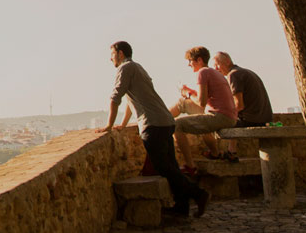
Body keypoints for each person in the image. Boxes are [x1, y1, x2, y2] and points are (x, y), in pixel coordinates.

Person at [101, 40, 208, 217]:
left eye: (112, 54)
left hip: (153, 124)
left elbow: (115, 98)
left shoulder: (124, 68)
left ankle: (198, 194)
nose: (110, 58)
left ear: (120, 54)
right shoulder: (137, 68)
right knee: (171, 166)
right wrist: (124, 122)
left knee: (163, 167)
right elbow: (131, 101)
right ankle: (182, 207)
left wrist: (109, 125)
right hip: (164, 121)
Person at [172, 45, 237, 169]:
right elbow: (204, 98)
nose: (189, 64)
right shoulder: (214, 72)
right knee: (198, 117)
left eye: (190, 61)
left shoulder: (202, 72)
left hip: (220, 117)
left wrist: (187, 93)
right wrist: (190, 92)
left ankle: (190, 166)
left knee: (176, 125)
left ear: (199, 60)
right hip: (229, 116)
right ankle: (214, 153)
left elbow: (201, 102)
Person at [214, 51, 274, 127]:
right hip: (264, 120)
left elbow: (239, 105)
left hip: (251, 121)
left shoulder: (233, 74)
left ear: (227, 62)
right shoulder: (245, 71)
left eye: (217, 64)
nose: (216, 69)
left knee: (215, 124)